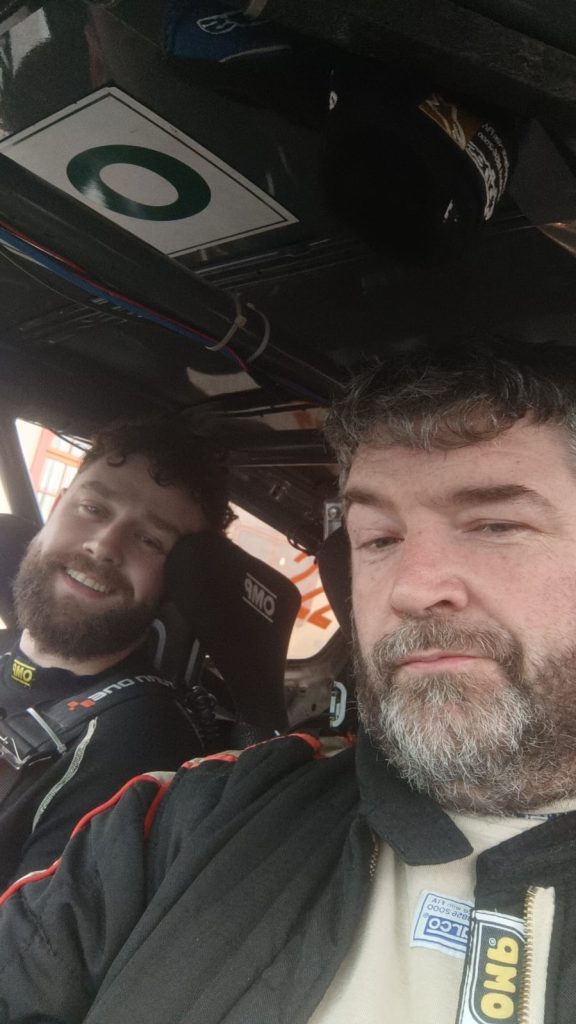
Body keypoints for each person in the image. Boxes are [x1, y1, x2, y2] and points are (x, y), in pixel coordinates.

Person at [3, 338, 576, 1023]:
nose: (411, 588)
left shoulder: (136, 735)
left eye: (495, 525)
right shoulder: (191, 819)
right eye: (379, 539)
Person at [0, 415, 233, 889]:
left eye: (150, 540)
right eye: (92, 508)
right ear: (57, 505)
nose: (104, 546)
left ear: (175, 583)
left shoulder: (136, 746)